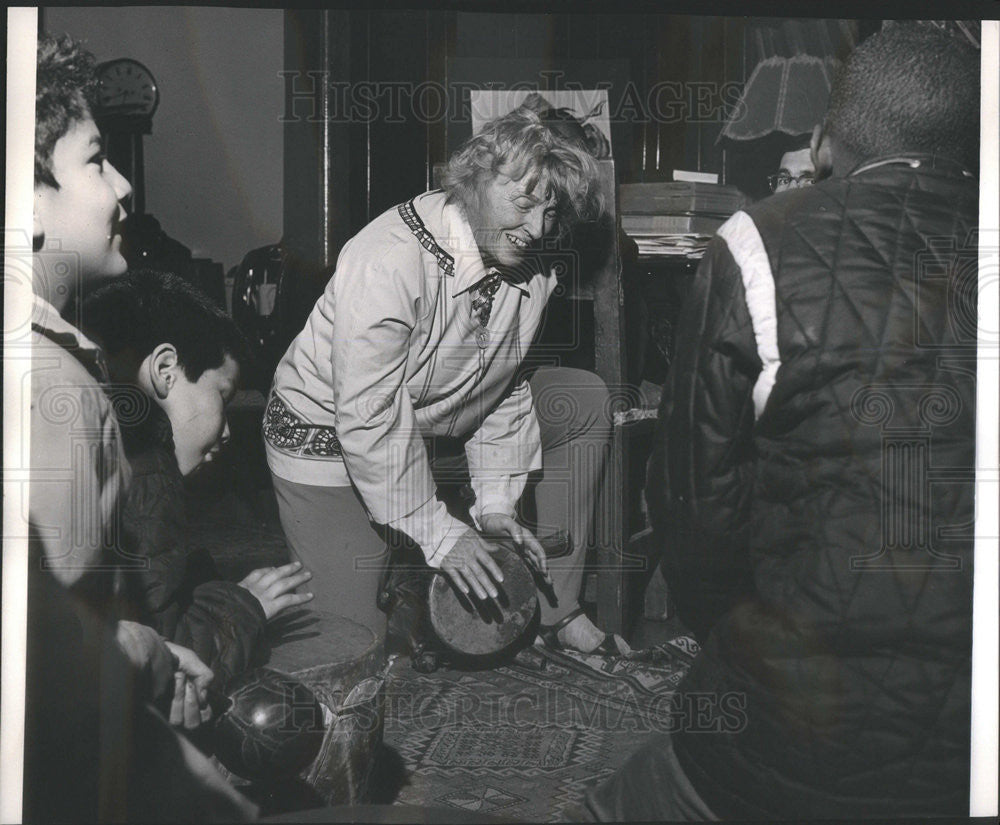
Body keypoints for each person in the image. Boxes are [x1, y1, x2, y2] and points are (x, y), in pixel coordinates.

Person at [586, 23, 978, 820]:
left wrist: (740, 638)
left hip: (792, 738)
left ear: (828, 139)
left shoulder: (759, 244)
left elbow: (694, 516)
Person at [265, 98, 624, 655]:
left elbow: (506, 384)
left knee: (581, 399)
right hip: (331, 435)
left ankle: (558, 609)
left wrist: (496, 505)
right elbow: (369, 414)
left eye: (551, 213)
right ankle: (403, 572)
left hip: (433, 422)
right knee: (349, 650)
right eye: (524, 202)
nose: (537, 228)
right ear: (474, 181)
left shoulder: (532, 259)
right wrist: (438, 530)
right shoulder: (388, 257)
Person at [25, 34, 257, 821]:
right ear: (24, 198)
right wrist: (153, 660)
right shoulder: (49, 383)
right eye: (94, 160)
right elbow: (35, 672)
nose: (123, 185)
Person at [82, 269, 315, 692]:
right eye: (222, 397)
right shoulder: (149, 471)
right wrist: (246, 606)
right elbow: (174, 658)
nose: (226, 431)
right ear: (165, 369)